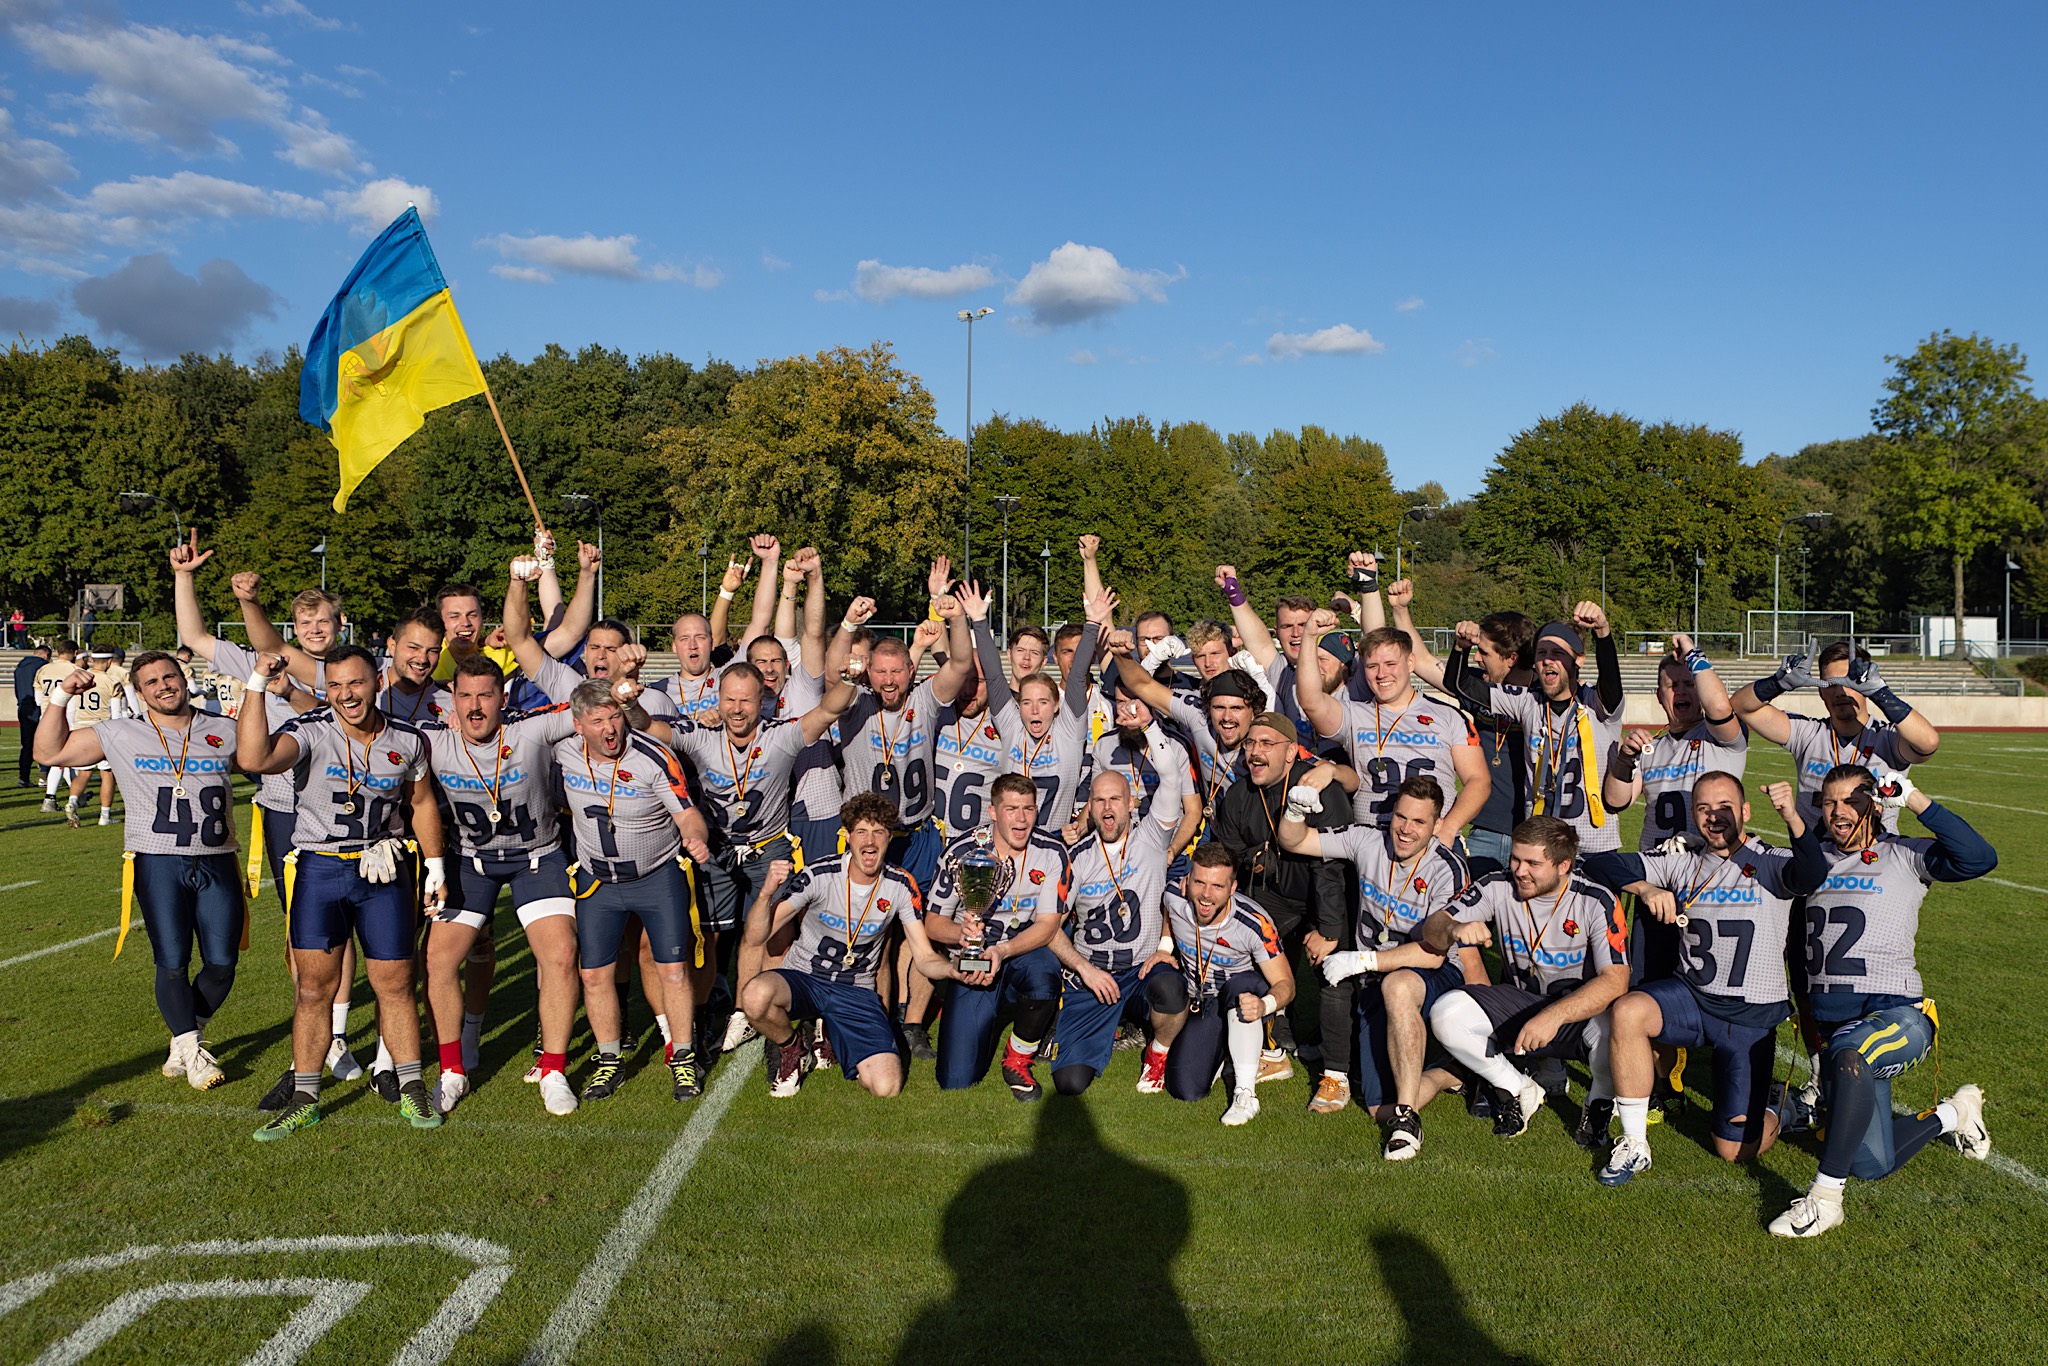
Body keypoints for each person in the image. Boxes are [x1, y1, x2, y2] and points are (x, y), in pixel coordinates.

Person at [1765, 767, 1996, 1238]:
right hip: (1837, 1025)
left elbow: (1980, 858)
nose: (1838, 812)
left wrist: (1914, 798)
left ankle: (1824, 1200)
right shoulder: (1813, 861)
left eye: (1849, 801)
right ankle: (1955, 1113)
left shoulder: (1903, 854)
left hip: (1898, 1015)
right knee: (1871, 1163)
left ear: (1872, 804)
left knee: (1851, 1058)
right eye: (1829, 803)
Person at [172, 541, 364, 1092]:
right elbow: (195, 637)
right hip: (283, 810)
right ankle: (319, 1023)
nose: (314, 632)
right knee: (304, 931)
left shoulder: (349, 671)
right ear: (293, 628)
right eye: (304, 624)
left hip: (344, 814)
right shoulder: (267, 659)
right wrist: (184, 577)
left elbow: (333, 718)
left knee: (343, 928)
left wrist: (294, 694)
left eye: (322, 622)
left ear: (338, 622)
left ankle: (338, 1035)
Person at [235, 646, 447, 1140]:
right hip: (322, 868)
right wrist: (255, 684)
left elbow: (421, 803)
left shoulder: (408, 740)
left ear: (376, 680)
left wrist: (435, 865)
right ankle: (306, 1095)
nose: (345, 695)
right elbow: (252, 757)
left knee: (395, 983)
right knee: (313, 989)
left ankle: (412, 1086)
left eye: (354, 683)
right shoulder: (310, 732)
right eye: (334, 686)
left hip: (385, 868)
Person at [1581, 776, 1826, 1184]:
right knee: (1628, 1010)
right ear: (1694, 816)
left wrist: (1793, 819)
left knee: (1733, 1152)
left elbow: (1812, 873)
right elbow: (1600, 863)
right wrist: (1643, 888)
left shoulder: (1771, 862)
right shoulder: (1683, 862)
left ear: (1745, 812)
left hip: (1749, 1013)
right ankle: (1634, 1143)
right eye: (1703, 809)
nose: (1714, 817)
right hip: (1692, 997)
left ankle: (1782, 1109)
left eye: (1724, 806)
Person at [34, 650, 246, 1089]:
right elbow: (49, 751)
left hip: (218, 857)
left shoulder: (224, 729)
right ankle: (193, 1050)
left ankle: (184, 1038)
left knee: (222, 964)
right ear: (138, 690)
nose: (164, 686)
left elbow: (271, 760)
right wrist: (60, 699)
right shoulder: (120, 732)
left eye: (170, 676)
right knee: (171, 961)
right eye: (152, 681)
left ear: (184, 679)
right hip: (158, 860)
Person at [417, 654, 585, 1116]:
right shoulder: (433, 739)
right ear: (451, 699)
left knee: (560, 955)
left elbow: (590, 708)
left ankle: (553, 1069)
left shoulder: (531, 729)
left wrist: (622, 685)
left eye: (485, 695)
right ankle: (452, 1070)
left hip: (538, 857)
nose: (475, 707)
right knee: (439, 958)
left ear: (502, 698)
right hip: (470, 861)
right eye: (465, 695)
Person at [1280, 772, 1479, 1158]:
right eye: (1401, 818)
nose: (1405, 830)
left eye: (1419, 822)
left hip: (1433, 975)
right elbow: (1296, 840)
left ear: (1438, 825)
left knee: (1399, 984)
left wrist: (1362, 959)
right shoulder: (1369, 839)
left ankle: (1406, 1120)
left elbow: (1432, 952)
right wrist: (1292, 810)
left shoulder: (1447, 868)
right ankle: (1447, 1072)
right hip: (1375, 975)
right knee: (1375, 1108)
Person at [659, 659, 856, 1048]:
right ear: (718, 698)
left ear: (762, 699)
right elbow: (652, 729)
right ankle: (701, 1018)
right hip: (717, 847)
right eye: (729, 699)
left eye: (746, 701)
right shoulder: (702, 734)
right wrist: (629, 703)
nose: (736, 709)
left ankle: (752, 1011)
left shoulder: (779, 735)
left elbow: (830, 709)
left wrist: (848, 678)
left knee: (773, 933)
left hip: (769, 847)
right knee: (708, 939)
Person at [559, 679, 715, 1102]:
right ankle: (610, 1059)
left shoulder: (653, 755)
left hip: (656, 875)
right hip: (598, 879)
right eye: (598, 721)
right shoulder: (564, 751)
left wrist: (695, 837)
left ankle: (684, 1058)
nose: (610, 728)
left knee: (673, 969)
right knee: (593, 974)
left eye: (614, 717)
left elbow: (687, 814)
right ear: (578, 725)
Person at [1427, 815, 1630, 1139]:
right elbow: (1432, 927)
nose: (1520, 870)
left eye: (1533, 863)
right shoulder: (1497, 885)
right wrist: (1454, 927)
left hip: (1577, 1011)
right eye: (1516, 859)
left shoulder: (1596, 899)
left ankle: (1599, 1102)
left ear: (1564, 865)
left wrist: (1553, 1016)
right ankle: (1519, 1087)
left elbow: (1615, 980)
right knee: (1447, 1014)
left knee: (1619, 1024)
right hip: (1520, 1003)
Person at [740, 794, 954, 1099]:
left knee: (887, 1087)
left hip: (855, 988)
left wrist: (952, 969)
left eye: (879, 831)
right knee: (755, 997)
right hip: (805, 978)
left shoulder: (900, 885)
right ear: (847, 836)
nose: (870, 840)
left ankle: (830, 1028)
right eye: (862, 832)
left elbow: (923, 955)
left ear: (889, 837)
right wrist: (765, 896)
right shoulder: (819, 873)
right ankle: (792, 1048)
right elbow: (756, 936)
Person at [1203, 711, 1355, 1108]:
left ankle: (1336, 1075)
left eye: (1266, 744)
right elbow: (1232, 855)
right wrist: (1255, 857)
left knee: (1334, 974)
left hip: (1329, 895)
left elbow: (1331, 869)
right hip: (1276, 897)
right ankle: (1272, 1053)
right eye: (1251, 744)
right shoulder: (1238, 796)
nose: (1254, 752)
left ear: (1291, 752)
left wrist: (1330, 930)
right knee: (1254, 961)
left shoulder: (1320, 788)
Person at [1043, 752, 1190, 1097]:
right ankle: (1103, 1024)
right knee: (1069, 1083)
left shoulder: (1152, 838)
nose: (1107, 809)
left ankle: (1158, 1051)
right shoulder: (1077, 858)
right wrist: (1084, 969)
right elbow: (1050, 929)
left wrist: (1150, 727)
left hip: (1141, 969)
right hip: (1094, 973)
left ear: (1130, 804)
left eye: (1115, 800)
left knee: (1171, 990)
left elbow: (1171, 778)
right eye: (1099, 801)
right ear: (1089, 808)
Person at [924, 773, 1073, 1099]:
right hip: (974, 959)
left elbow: (1048, 925)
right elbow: (933, 922)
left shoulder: (1051, 851)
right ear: (993, 812)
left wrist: (1003, 951)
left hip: (1020, 952)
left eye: (1028, 809)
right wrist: (961, 934)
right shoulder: (962, 850)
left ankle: (1018, 1057)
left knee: (1045, 975)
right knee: (956, 1080)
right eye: (1011, 809)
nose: (1021, 818)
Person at [1452, 605, 1625, 856]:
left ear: (1578, 659)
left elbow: (1611, 683)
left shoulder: (1596, 704)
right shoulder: (1529, 702)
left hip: (1593, 848)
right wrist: (1461, 648)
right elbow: (1461, 685)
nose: (1547, 659)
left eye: (1557, 653)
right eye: (1542, 653)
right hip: (1541, 846)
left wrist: (1603, 633)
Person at [1294, 622, 1488, 841]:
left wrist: (1450, 828)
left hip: (1432, 840)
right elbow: (1310, 701)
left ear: (1410, 662)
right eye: (1372, 666)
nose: (1381, 674)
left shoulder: (1448, 715)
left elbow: (1477, 779)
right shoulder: (1353, 713)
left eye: (1390, 663)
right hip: (1372, 845)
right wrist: (1309, 637)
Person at [1731, 643, 1940, 833]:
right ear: (1821, 692)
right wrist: (1777, 683)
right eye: (1830, 684)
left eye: (1851, 682)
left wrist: (1881, 694)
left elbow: (1928, 743)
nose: (1840, 691)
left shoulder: (1888, 738)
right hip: (1818, 860)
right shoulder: (1808, 733)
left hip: (1877, 860)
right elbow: (1741, 707)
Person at [1157, 844, 1296, 1125]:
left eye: (1217, 886)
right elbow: (1168, 914)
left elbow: (1287, 984)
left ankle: (1246, 1092)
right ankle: (1228, 1052)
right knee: (1185, 1088)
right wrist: (1164, 947)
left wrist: (1263, 1005)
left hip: (1243, 998)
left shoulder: (1254, 922)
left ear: (1233, 888)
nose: (1206, 895)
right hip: (1203, 1001)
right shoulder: (1174, 894)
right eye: (1199, 882)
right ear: (1187, 880)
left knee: (1242, 986)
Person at [962, 579, 1106, 831]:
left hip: (1053, 844)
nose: (1035, 710)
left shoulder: (1068, 733)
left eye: (1043, 702)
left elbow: (1076, 677)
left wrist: (1092, 625)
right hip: (1010, 841)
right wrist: (979, 622)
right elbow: (995, 676)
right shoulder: (1012, 728)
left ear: (1057, 706)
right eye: (1027, 702)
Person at [61, 650, 128, 827]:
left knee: (84, 772)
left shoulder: (80, 678)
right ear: (110, 661)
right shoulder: (112, 681)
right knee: (107, 773)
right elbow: (116, 713)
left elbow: (70, 708)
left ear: (91, 660)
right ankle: (104, 815)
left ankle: (72, 802)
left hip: (81, 727)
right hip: (102, 729)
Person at [15, 641, 49, 787]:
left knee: (27, 745)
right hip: (38, 706)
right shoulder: (42, 666)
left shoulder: (20, 667)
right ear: (46, 655)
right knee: (45, 743)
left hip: (23, 706)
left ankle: (24, 778)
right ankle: (44, 776)